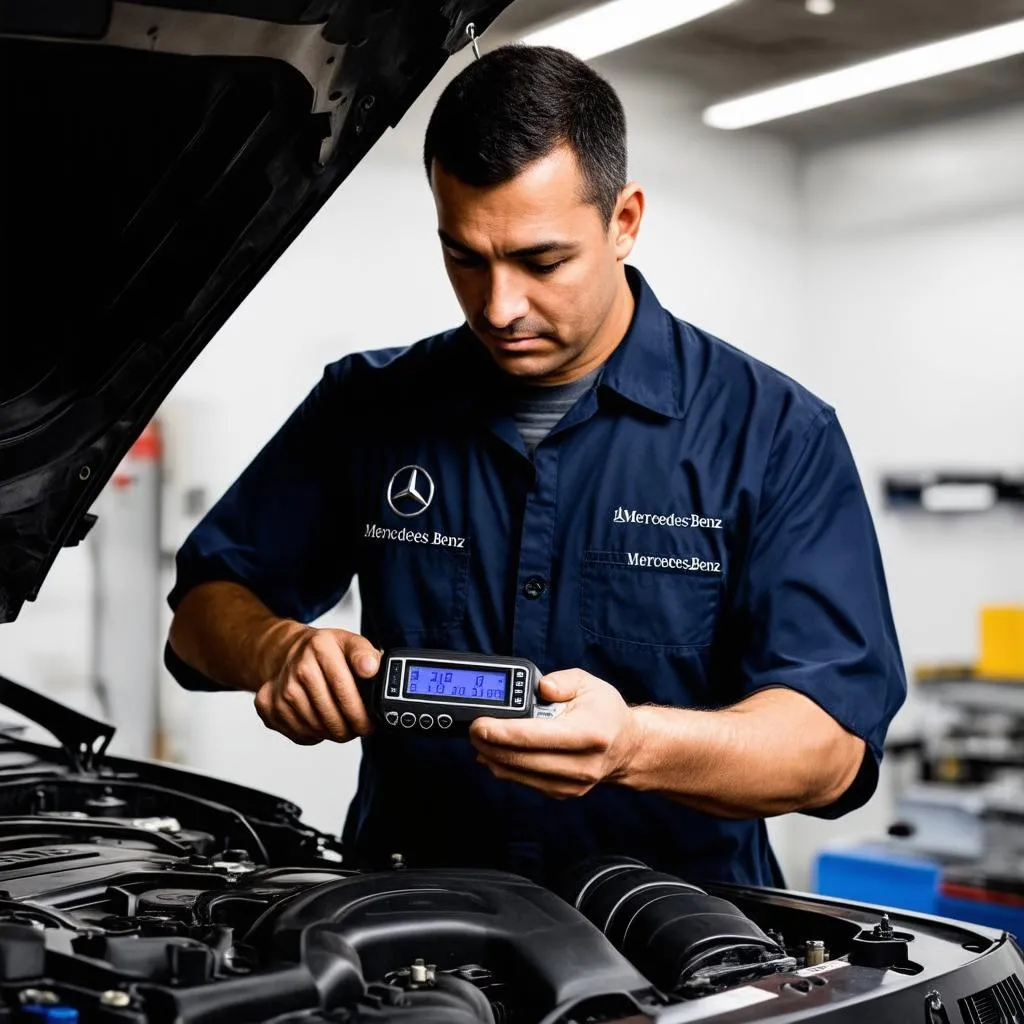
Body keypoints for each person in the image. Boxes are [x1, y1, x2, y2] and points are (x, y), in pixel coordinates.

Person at [165, 44, 906, 888]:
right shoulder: (367, 406)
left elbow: (829, 747)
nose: (500, 306)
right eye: (465, 258)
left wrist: (635, 744)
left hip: (675, 948)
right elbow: (200, 613)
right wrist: (276, 649)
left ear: (624, 220)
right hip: (406, 933)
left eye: (541, 261)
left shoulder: (775, 432)